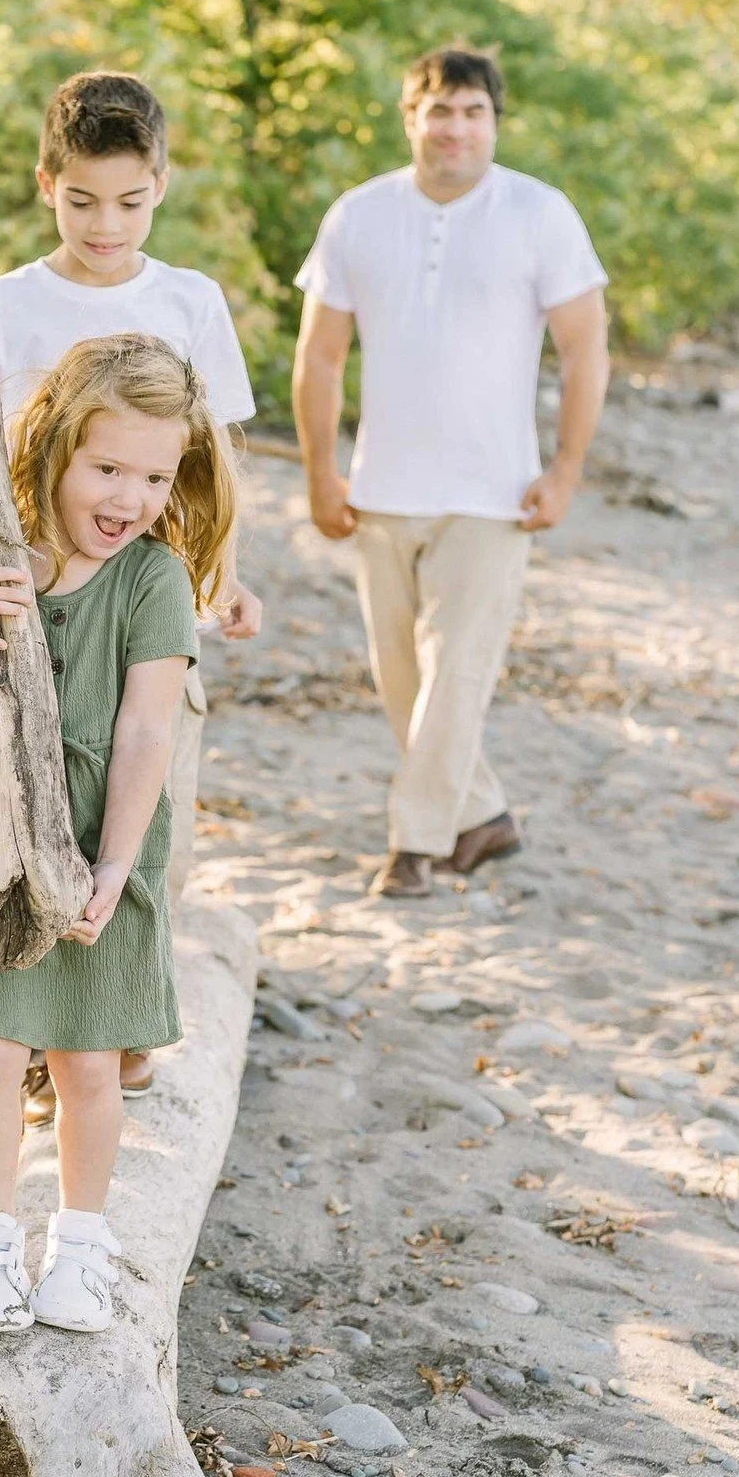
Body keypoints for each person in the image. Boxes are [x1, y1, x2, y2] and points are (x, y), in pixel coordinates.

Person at [0, 334, 236, 1335]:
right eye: (107, 467)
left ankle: (79, 1245)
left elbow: (147, 725)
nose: (130, 496)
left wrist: (113, 861)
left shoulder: (152, 579)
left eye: (154, 475)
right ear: (57, 445)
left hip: (100, 843)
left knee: (88, 1065)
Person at [0, 68, 261, 1118]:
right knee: (29, 791)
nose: (105, 224)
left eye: (129, 200)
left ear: (160, 185)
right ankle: (27, 1023)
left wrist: (225, 573)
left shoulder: (187, 298)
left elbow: (220, 450)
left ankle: (124, 1016)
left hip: (150, 595)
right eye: (81, 200)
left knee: (149, 800)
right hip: (37, 597)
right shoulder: (8, 302)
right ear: (46, 185)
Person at [291, 45, 610, 897]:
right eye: (439, 111)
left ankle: (416, 846)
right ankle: (483, 816)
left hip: (493, 491)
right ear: (410, 118)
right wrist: (322, 472)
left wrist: (565, 470)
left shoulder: (540, 214)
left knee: (456, 673)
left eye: (474, 113)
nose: (455, 129)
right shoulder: (358, 215)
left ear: (494, 122)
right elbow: (319, 358)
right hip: (381, 488)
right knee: (404, 681)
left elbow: (585, 351)